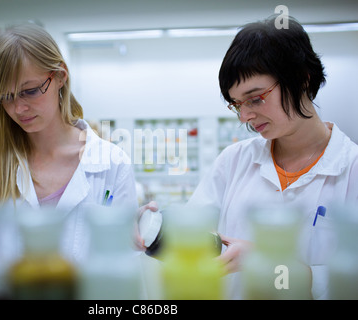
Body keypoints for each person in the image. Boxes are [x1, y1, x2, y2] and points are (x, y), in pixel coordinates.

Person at [141, 15, 358, 299]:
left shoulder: (352, 169)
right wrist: (151, 230)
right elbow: (196, 235)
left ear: (303, 78)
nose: (245, 116)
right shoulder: (233, 160)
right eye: (237, 105)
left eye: (255, 99)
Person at [0, 24, 138, 264]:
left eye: (30, 91)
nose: (18, 108)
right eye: (5, 97)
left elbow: (125, 265)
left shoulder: (112, 164)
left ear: (59, 77)